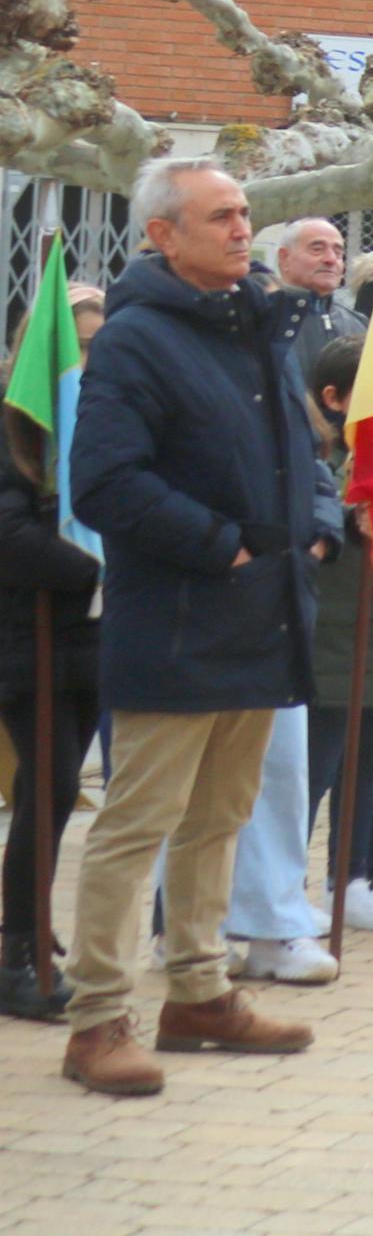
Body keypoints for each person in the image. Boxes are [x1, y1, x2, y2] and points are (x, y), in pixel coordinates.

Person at [63, 160, 322, 1096]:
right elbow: (104, 481)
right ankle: (96, 1018)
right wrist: (223, 547)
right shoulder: (134, 340)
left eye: (246, 212)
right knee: (138, 824)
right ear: (163, 235)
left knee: (220, 816)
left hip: (261, 620)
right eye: (220, 215)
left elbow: (301, 452)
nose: (241, 228)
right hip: (175, 620)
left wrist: (320, 523)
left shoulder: (260, 323)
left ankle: (200, 993)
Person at [2, 405, 105, 1020]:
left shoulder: (103, 423)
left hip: (90, 642)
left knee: (53, 793)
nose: (88, 358)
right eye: (81, 342)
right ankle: (18, 949)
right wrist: (104, 562)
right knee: (51, 787)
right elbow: (12, 540)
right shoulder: (15, 434)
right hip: (25, 640)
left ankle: (34, 933)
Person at [260, 216, 349, 365]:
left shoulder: (359, 323)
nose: (331, 259)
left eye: (338, 252)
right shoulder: (263, 320)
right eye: (317, 249)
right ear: (284, 257)